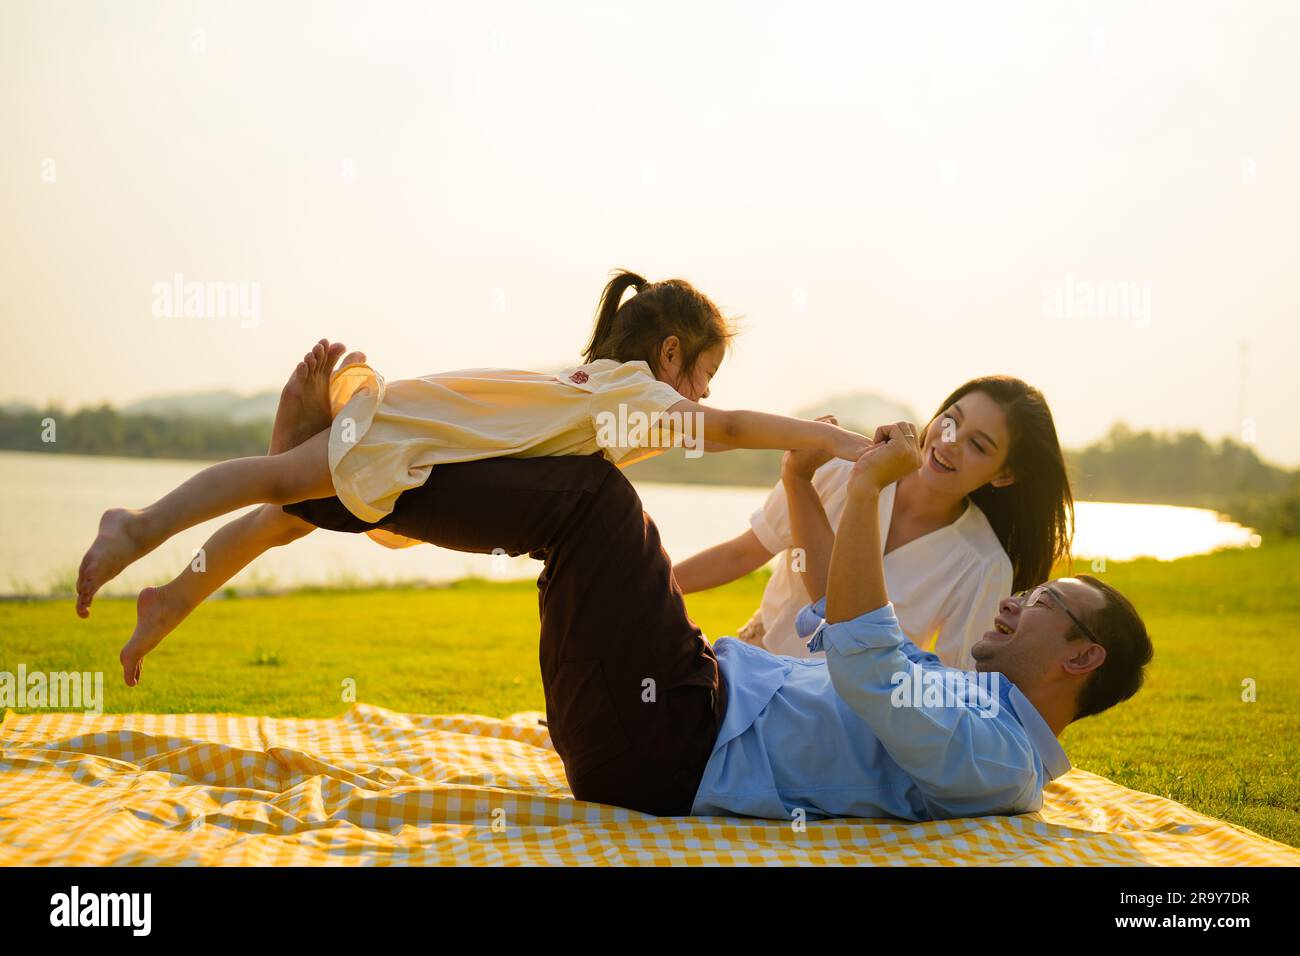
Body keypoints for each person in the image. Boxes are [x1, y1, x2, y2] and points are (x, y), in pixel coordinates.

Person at [271, 419, 1152, 820]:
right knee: (589, 508)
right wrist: (807, 483)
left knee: (593, 501)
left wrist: (871, 489)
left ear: (1079, 658)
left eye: (1042, 603)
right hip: (680, 702)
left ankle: (322, 483)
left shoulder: (996, 754)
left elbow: (865, 664)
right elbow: (822, 622)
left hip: (672, 737)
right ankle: (329, 482)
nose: (1015, 600)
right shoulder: (976, 712)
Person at [80, 271, 873, 684]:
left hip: (429, 442)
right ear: (670, 356)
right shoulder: (638, 393)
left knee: (286, 508)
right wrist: (832, 443)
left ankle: (172, 596)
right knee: (275, 480)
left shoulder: (599, 388)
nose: (701, 398)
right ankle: (140, 526)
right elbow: (728, 430)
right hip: (417, 435)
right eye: (702, 375)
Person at [672, 376, 1075, 669]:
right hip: (749, 671)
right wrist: (644, 586)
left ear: (1003, 476)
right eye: (950, 421)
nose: (949, 442)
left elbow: (956, 685)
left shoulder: (983, 563)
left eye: (978, 445)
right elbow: (742, 553)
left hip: (846, 726)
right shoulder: (831, 468)